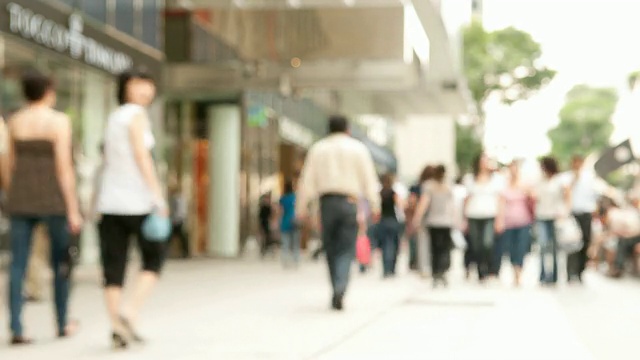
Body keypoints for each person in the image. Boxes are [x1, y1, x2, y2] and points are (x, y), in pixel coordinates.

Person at [3, 70, 83, 345]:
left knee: (17, 266)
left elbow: (8, 165)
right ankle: (62, 323)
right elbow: (63, 169)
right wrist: (73, 208)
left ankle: (16, 328)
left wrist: (12, 191)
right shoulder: (59, 121)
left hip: (21, 199)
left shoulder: (15, 120)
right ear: (49, 90)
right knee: (61, 263)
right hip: (53, 200)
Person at [96, 69, 168, 348]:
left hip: (110, 202)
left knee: (113, 265)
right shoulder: (136, 115)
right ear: (126, 87)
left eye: (149, 85)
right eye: (139, 85)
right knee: (155, 258)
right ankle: (129, 312)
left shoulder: (113, 117)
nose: (146, 90)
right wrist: (158, 196)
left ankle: (118, 326)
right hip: (137, 201)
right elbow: (142, 156)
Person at [296, 115, 380, 311]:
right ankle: (341, 286)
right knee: (346, 248)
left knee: (331, 247)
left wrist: (301, 208)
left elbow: (306, 181)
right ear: (347, 129)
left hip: (326, 203)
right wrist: (374, 206)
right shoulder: (358, 148)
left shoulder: (318, 149)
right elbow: (369, 179)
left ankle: (335, 286)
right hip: (349, 202)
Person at [464, 153, 504, 282]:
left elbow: (500, 200)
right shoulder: (470, 179)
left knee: (487, 243)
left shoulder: (496, 179)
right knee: (476, 245)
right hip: (473, 215)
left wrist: (500, 219)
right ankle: (480, 270)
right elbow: (466, 199)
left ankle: (488, 268)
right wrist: (463, 218)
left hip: (489, 215)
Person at [412, 165, 454, 287]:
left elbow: (424, 203)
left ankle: (436, 272)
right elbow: (451, 206)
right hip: (446, 222)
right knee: (444, 249)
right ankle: (442, 271)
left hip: (434, 222)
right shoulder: (447, 186)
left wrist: (417, 218)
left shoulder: (429, 186)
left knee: (435, 249)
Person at [563, 155, 601, 283]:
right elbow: (566, 194)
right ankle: (570, 272)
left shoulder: (589, 177)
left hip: (586, 213)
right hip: (573, 214)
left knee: (585, 242)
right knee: (572, 243)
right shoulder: (567, 177)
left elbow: (594, 195)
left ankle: (580, 271)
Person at [496, 161, 534, 286]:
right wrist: (499, 221)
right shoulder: (504, 185)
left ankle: (519, 273)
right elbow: (500, 204)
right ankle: (514, 271)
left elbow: (533, 199)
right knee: (511, 248)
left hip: (523, 221)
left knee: (521, 248)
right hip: (509, 222)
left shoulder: (524, 185)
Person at [533, 156, 566, 286]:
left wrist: (564, 211)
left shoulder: (559, 180)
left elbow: (566, 196)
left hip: (555, 217)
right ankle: (542, 275)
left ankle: (554, 275)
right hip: (541, 216)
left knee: (554, 248)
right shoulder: (540, 181)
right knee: (542, 246)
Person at [377, 173, 401, 278]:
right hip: (392, 219)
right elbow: (400, 205)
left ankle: (386, 269)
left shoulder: (380, 193)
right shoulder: (393, 193)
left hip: (383, 220)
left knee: (385, 245)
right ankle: (391, 269)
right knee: (393, 245)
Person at [279, 180, 299, 268]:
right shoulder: (295, 197)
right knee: (295, 243)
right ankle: (296, 261)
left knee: (285, 244)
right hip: (294, 221)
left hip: (285, 222)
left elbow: (280, 211)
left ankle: (285, 262)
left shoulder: (282, 199)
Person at [169, 186, 190, 259]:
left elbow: (177, 211)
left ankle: (185, 252)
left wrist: (173, 220)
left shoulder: (176, 199)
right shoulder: (181, 199)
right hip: (180, 220)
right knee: (181, 237)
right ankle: (185, 252)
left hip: (177, 220)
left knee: (173, 237)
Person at [259, 192, 275, 257]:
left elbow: (271, 215)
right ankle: (264, 250)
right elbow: (260, 216)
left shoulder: (268, 207)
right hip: (263, 224)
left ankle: (267, 249)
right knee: (264, 237)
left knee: (268, 237)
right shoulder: (263, 207)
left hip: (268, 224)